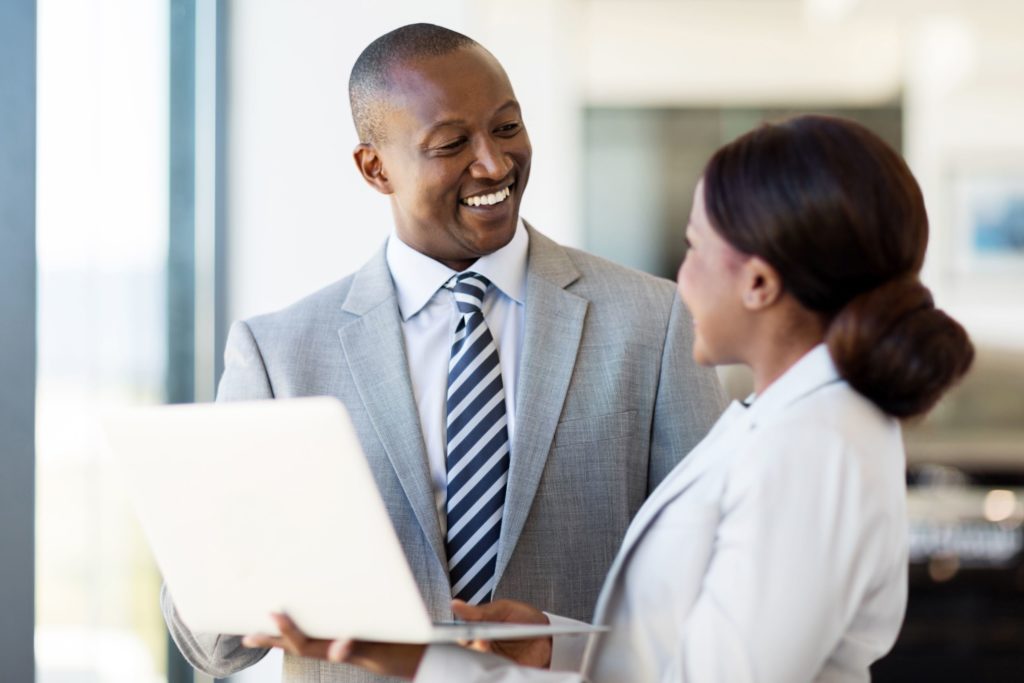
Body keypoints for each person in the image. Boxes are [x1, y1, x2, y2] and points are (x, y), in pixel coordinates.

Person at [271, 114, 975, 681]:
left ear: (758, 283)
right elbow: (697, 645)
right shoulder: (790, 421)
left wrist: (426, 663)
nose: (681, 274)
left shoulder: (814, 445)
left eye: (696, 248)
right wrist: (554, 644)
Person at [160, 23, 726, 682]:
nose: (493, 164)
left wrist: (563, 645)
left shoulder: (652, 322)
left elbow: (715, 581)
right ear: (375, 168)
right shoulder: (279, 352)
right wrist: (227, 551)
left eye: (507, 127)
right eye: (452, 144)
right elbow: (214, 646)